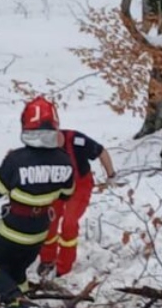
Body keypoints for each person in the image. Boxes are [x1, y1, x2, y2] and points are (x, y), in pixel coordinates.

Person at [0, 96, 77, 308]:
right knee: (16, 271)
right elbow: (66, 194)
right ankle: (22, 307)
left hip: (12, 230)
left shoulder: (16, 159)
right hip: (40, 232)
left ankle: (12, 297)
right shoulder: (65, 160)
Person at [37, 111, 117, 279]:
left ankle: (64, 266)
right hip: (56, 186)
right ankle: (47, 260)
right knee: (48, 221)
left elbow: (101, 152)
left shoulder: (77, 140)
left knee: (69, 223)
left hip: (80, 185)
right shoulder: (40, 149)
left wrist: (111, 176)